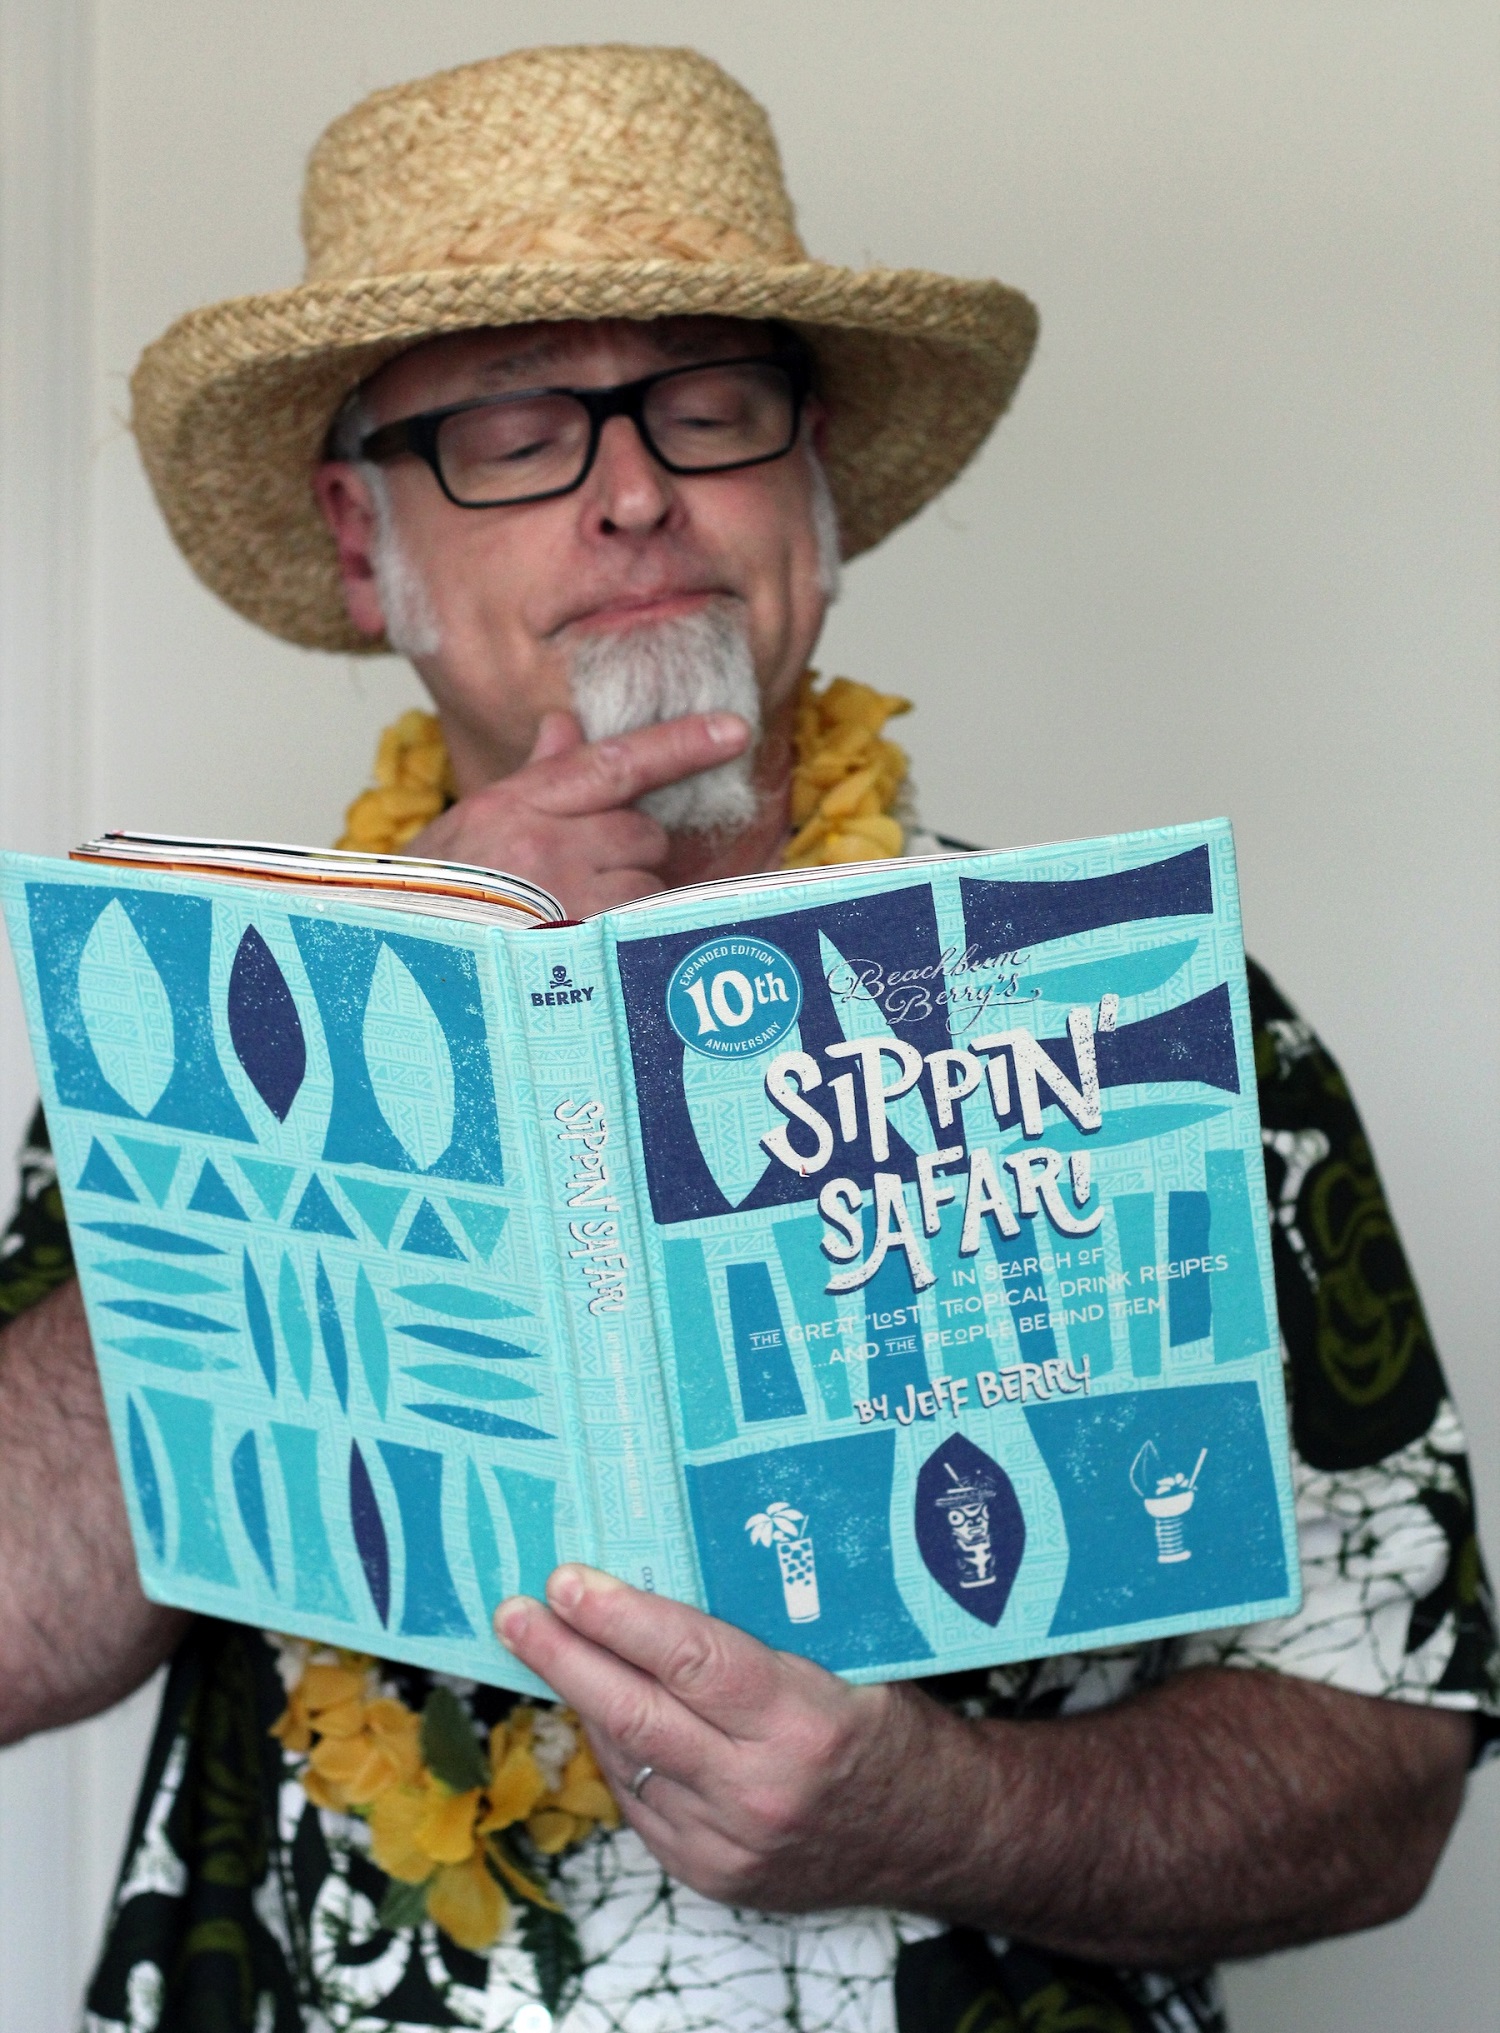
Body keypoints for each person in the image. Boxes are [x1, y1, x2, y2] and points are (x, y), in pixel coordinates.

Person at [1, 44, 1495, 2033]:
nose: (635, 493)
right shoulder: (205, 1042)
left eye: (711, 409)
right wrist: (361, 1037)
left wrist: (949, 1812)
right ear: (364, 545)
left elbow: (1387, 1764)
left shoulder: (1156, 1024)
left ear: (814, 487)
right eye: (515, 429)